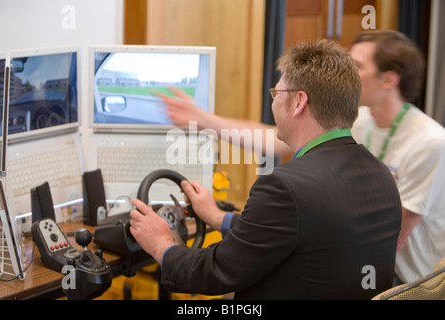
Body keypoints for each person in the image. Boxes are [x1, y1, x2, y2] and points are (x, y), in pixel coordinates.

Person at [129, 39, 402, 299]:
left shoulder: (285, 187)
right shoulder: (381, 174)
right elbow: (290, 234)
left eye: (276, 93)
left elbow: (217, 272)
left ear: (298, 102)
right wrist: (217, 216)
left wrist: (161, 245)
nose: (273, 101)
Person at [350, 30, 445, 285]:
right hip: (371, 259)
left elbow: (395, 238)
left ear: (388, 79)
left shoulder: (430, 141)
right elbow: (285, 138)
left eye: (357, 66)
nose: (346, 74)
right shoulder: (360, 120)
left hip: (411, 280)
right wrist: (228, 126)